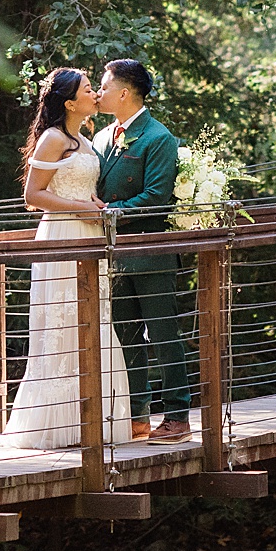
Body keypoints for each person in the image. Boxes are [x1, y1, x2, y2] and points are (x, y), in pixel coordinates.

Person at [0, 68, 132, 450]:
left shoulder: (84, 139)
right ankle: (53, 424)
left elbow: (83, 187)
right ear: (70, 103)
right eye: (89, 90)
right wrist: (79, 209)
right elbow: (32, 195)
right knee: (62, 323)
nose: (95, 94)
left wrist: (95, 207)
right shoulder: (53, 138)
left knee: (93, 319)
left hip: (88, 232)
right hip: (63, 233)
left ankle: (91, 423)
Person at [94, 59, 191, 442]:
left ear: (124, 92)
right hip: (115, 255)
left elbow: (156, 198)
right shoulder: (102, 137)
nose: (98, 94)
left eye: (103, 87)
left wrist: (111, 214)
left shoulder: (158, 137)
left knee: (165, 334)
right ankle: (137, 417)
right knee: (126, 337)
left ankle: (178, 417)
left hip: (152, 254)